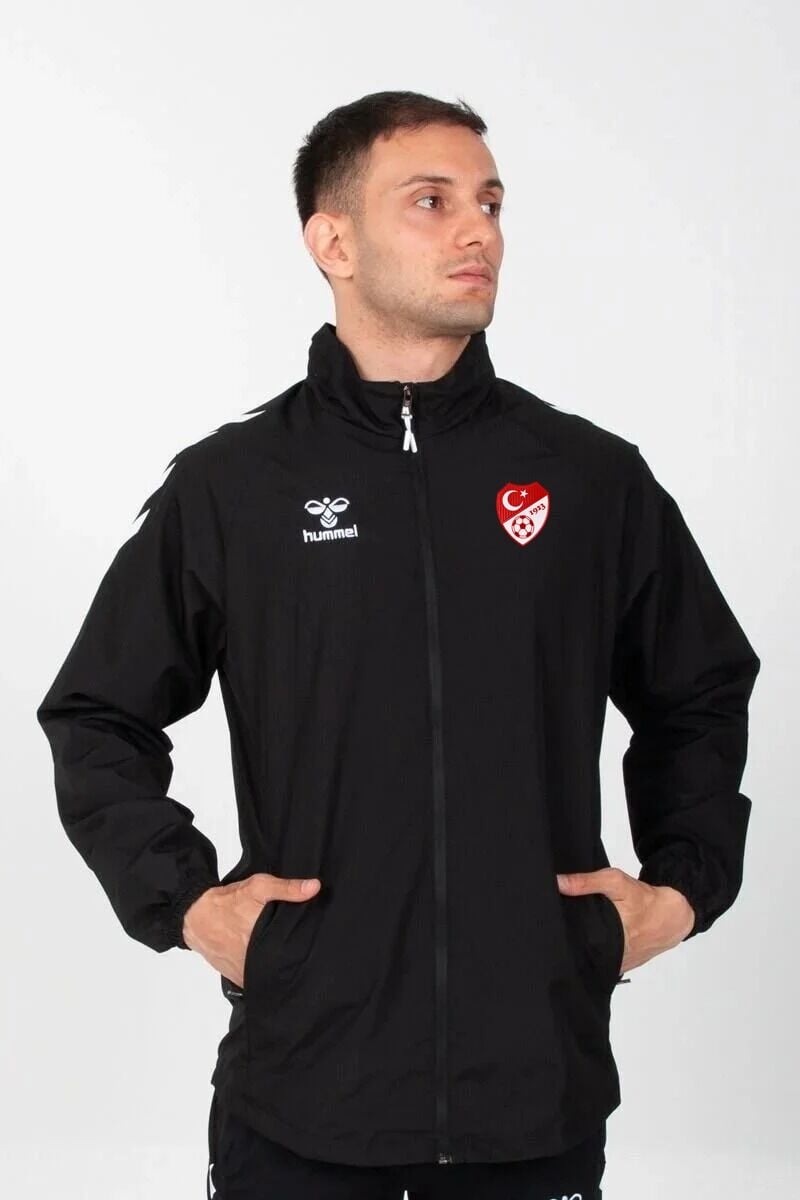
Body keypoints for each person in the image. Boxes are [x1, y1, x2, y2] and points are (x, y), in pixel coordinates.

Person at [36, 90, 760, 1200]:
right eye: (430, 201)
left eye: (490, 203)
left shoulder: (588, 477)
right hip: (301, 1094)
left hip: (536, 1095)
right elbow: (98, 714)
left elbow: (698, 689)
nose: (478, 231)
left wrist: (680, 888)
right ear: (332, 243)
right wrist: (186, 903)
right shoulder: (235, 488)